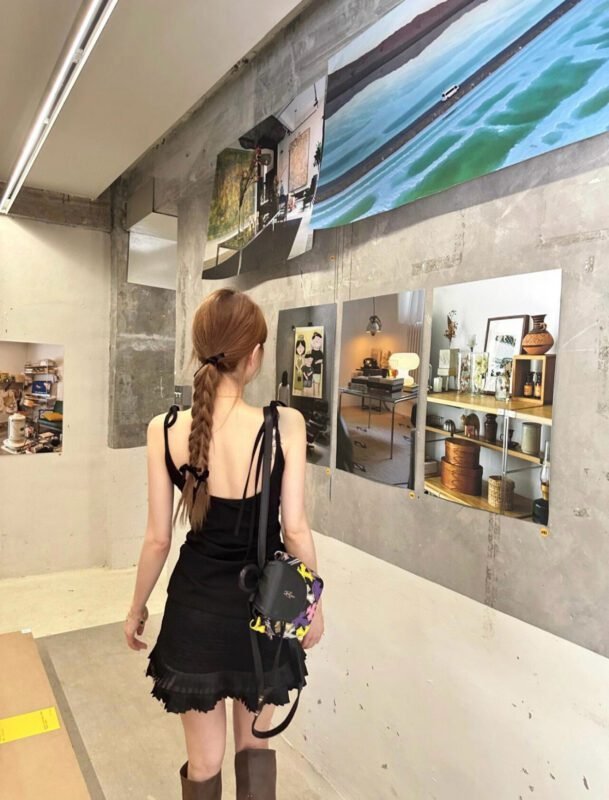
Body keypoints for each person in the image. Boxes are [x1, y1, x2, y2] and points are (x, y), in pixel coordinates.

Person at [124, 288, 324, 800]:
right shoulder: (286, 425)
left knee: (203, 761)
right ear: (254, 356)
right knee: (254, 747)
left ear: (200, 350)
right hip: (268, 610)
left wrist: (136, 608)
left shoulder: (165, 429)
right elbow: (295, 529)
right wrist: (313, 609)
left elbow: (158, 538)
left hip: (195, 613)